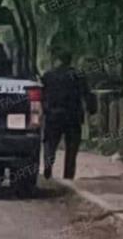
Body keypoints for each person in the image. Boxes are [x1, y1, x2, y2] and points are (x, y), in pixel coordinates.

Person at [41, 48, 96, 180]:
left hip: (53, 115)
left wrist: (43, 110)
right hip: (73, 116)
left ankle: (48, 168)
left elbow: (41, 95)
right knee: (72, 148)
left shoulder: (48, 76)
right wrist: (92, 109)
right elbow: (87, 94)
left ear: (57, 60)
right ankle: (68, 175)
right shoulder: (77, 75)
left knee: (50, 144)